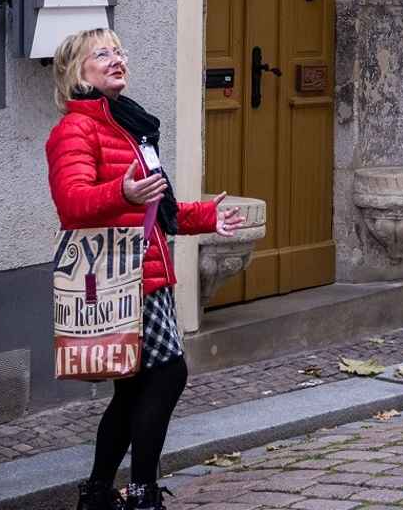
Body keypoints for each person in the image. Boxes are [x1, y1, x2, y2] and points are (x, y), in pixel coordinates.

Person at [48, 29, 245, 510]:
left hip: (145, 270)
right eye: (103, 54)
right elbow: (72, 203)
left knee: (134, 386)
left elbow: (163, 209)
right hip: (122, 276)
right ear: (79, 71)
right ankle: (141, 493)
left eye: (118, 51)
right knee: (167, 374)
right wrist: (122, 193)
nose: (117, 59)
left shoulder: (129, 125)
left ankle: (98, 493)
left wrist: (205, 217)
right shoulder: (75, 130)